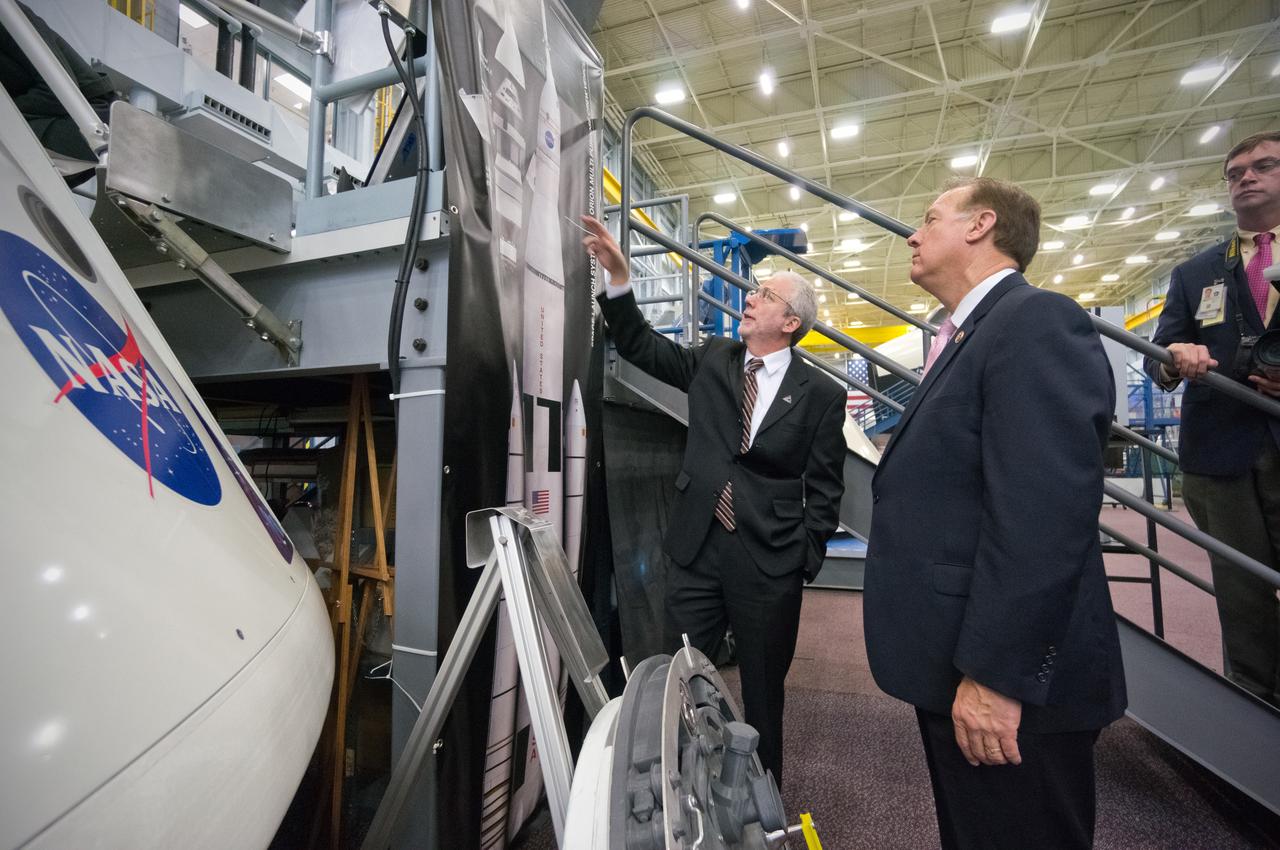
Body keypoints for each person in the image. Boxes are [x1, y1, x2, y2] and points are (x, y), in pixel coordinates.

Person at [863, 177, 1126, 849]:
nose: (913, 235)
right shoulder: (967, 334)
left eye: (929, 218)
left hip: (1003, 685)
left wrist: (994, 678)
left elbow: (1043, 517)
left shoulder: (1035, 321)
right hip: (961, 659)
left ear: (981, 226)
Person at [580, 215, 846, 786]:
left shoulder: (822, 393)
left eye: (765, 295)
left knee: (762, 687)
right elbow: (640, 346)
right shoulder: (715, 359)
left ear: (790, 321)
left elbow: (826, 486)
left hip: (769, 560)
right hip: (696, 549)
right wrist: (619, 277)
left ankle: (764, 792)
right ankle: (682, 783)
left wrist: (806, 553)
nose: (751, 298)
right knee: (682, 677)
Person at [1145, 131, 1280, 706]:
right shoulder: (1196, 271)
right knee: (1242, 590)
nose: (1246, 177)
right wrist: (1176, 359)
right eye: (1235, 172)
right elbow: (1161, 359)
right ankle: (1256, 706)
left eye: (1264, 166)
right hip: (1221, 453)